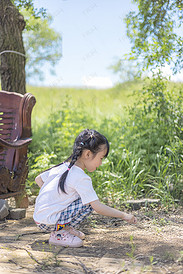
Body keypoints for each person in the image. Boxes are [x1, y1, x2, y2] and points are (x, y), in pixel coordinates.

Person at [33, 129, 137, 248]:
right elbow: (97, 207)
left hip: (39, 218)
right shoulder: (81, 177)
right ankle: (59, 233)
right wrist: (124, 215)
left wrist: (54, 199)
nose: (101, 163)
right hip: (49, 222)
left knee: (82, 198)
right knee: (88, 203)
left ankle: (64, 227)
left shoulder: (62, 167)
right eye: (101, 158)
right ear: (87, 154)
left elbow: (38, 179)